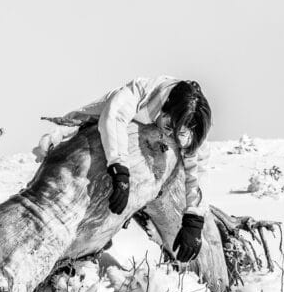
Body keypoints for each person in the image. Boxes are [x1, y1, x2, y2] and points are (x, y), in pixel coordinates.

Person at [35, 76, 212, 262]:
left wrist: (194, 218)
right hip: (103, 126)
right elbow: (114, 119)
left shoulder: (191, 124)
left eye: (179, 133)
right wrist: (119, 169)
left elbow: (197, 170)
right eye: (168, 126)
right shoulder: (139, 91)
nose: (170, 135)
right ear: (164, 109)